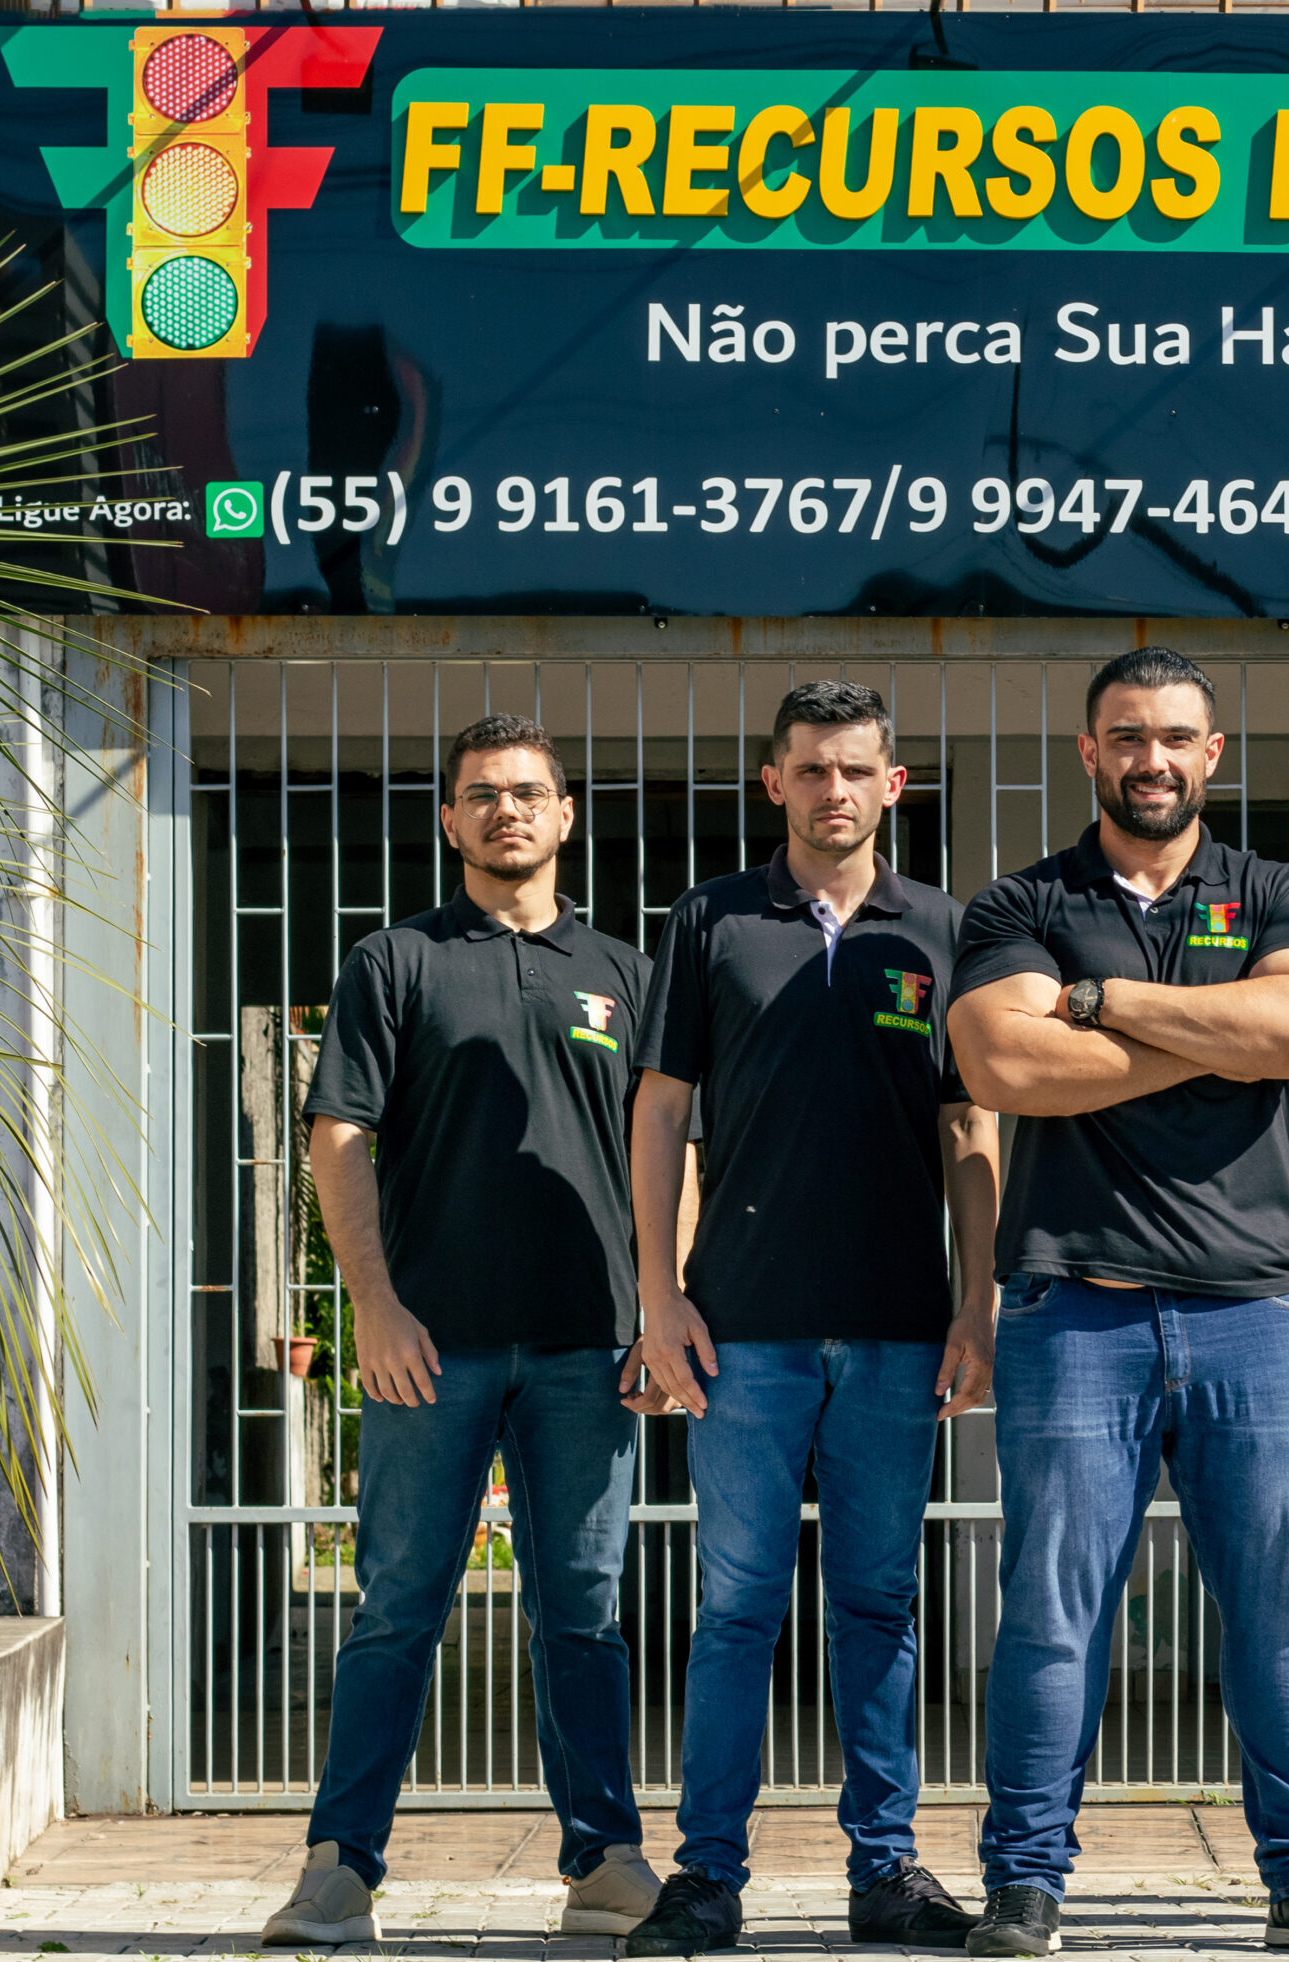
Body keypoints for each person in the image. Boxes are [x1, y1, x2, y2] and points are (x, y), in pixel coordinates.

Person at [947, 646, 1289, 1959]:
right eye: (1127, 735)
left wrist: (1104, 1006)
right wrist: (1215, 1035)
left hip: (1260, 1314)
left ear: (1212, 753)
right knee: (1052, 1612)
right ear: (1089, 751)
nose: (1152, 758)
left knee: (1286, 1612)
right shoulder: (1022, 901)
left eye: (1175, 737)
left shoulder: (1278, 890)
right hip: (1075, 1311)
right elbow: (1006, 1064)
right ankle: (1025, 1882)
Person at [263, 714, 664, 1946]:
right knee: (397, 1607)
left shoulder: (626, 973)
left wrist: (663, 1308)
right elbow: (339, 1135)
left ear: (566, 815)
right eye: (482, 793)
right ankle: (340, 1868)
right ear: (449, 819)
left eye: (529, 792)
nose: (507, 810)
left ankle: (603, 1862)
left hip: (590, 1348)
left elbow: (669, 1148)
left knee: (583, 1611)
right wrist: (374, 1307)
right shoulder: (396, 962)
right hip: (428, 1349)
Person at [624, 680, 1000, 1956]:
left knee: (879, 1605)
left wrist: (977, 1301)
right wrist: (658, 1292)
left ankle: (886, 1873)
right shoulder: (713, 919)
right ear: (773, 782)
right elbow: (661, 1110)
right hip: (743, 1331)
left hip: (898, 1329)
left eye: (854, 769)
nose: (832, 789)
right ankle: (706, 1879)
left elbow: (968, 1125)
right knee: (737, 1608)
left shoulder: (944, 929)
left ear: (894, 784)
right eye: (809, 768)